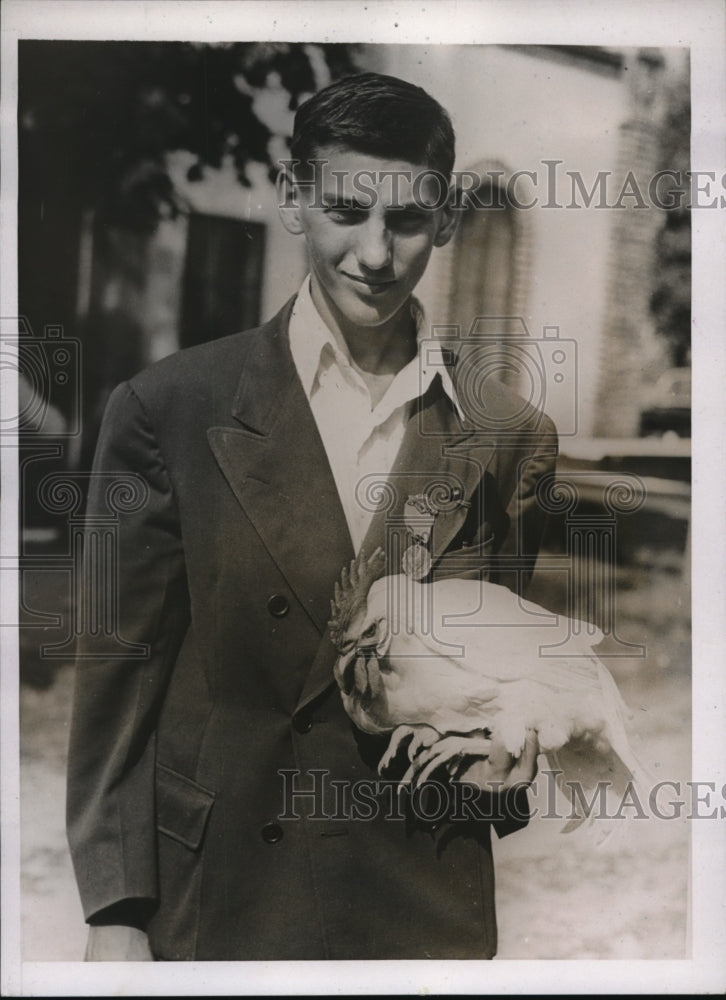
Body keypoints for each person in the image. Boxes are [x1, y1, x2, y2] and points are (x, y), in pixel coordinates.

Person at [67, 72, 557, 962]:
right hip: (223, 898)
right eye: (346, 209)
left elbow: (498, 669)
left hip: (421, 894)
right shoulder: (169, 408)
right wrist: (116, 913)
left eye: (408, 220)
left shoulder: (507, 437)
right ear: (293, 198)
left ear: (446, 220)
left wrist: (509, 756)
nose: (375, 252)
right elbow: (118, 686)